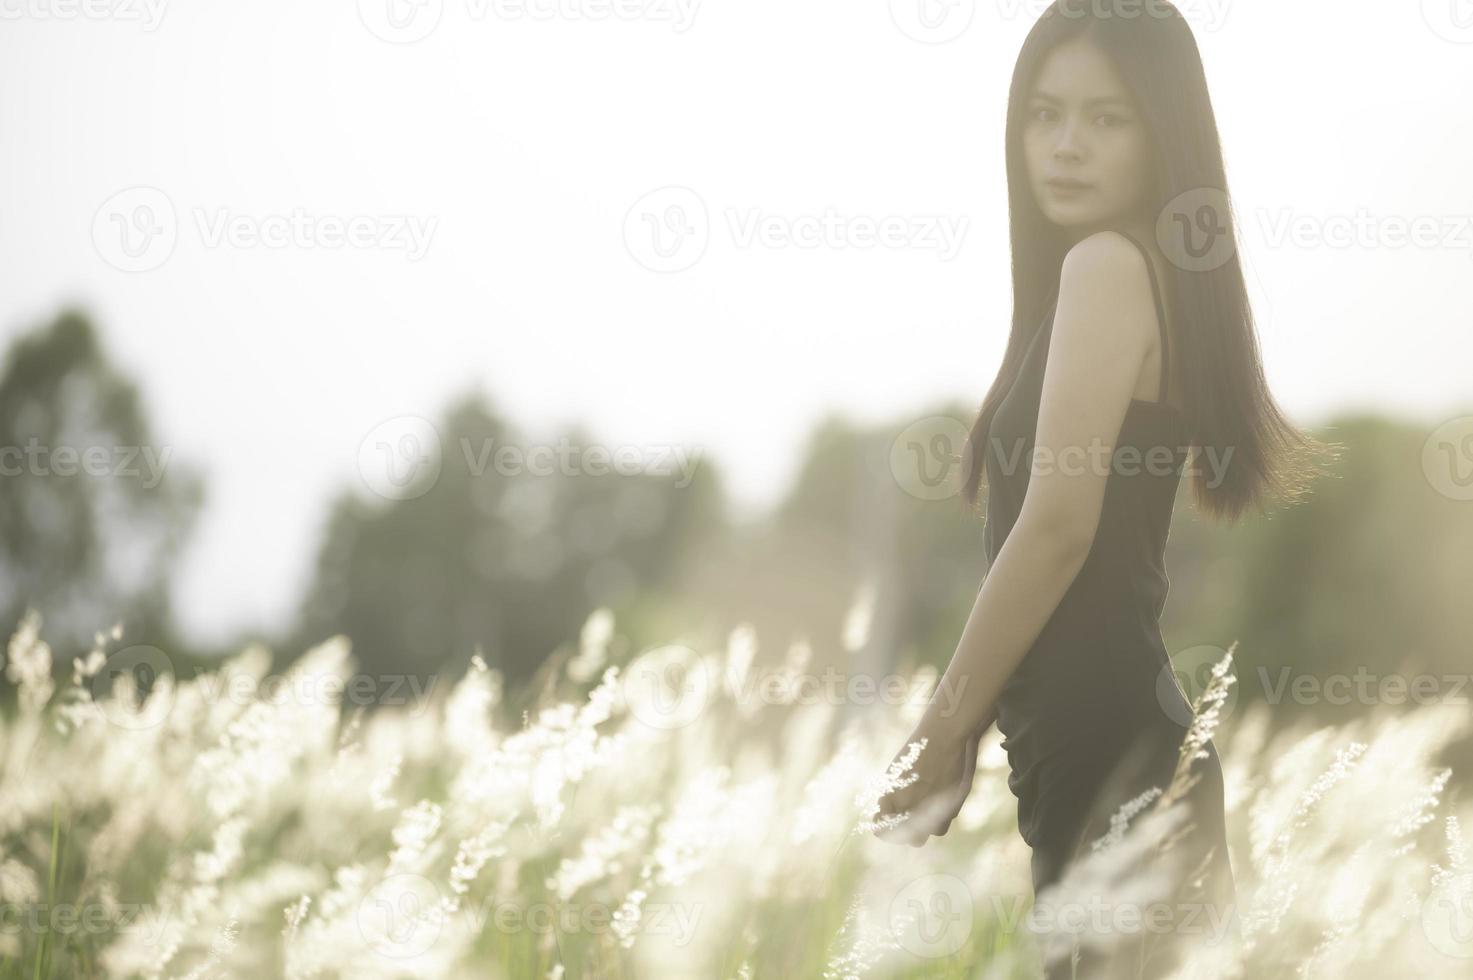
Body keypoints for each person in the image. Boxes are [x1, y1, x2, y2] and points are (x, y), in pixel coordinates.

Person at [873, 2, 1334, 976]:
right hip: (1104, 754)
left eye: (1106, 117)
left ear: (1163, 131)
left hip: (1116, 752)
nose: (1065, 144)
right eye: (1044, 113)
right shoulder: (1121, 273)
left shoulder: (1108, 266)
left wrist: (944, 720)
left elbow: (1052, 527)